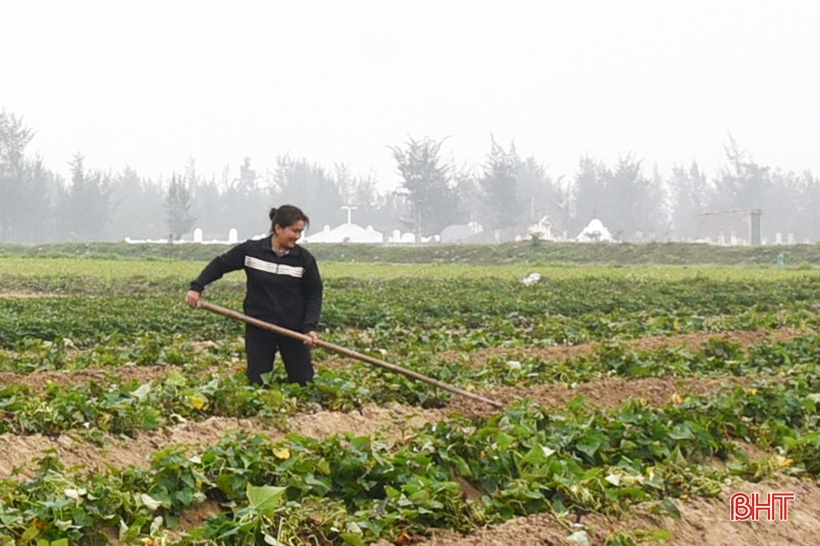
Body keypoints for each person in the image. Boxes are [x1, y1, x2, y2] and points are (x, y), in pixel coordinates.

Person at [185, 205, 323, 386]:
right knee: (258, 381)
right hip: (259, 325)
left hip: (293, 329)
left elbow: (314, 293)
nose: (297, 236)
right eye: (294, 231)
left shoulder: (303, 259)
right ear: (278, 228)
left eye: (300, 232)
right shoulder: (252, 251)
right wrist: (197, 287)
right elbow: (220, 265)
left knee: (303, 381)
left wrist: (309, 327)